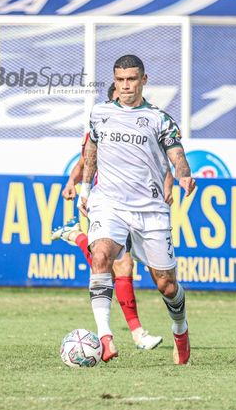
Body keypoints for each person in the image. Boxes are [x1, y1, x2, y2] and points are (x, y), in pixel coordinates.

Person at [78, 54, 196, 364]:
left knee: (166, 285)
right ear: (114, 82)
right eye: (120, 80)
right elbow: (91, 151)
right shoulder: (99, 113)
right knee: (101, 255)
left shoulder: (160, 119)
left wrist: (183, 174)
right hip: (109, 203)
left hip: (150, 209)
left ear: (144, 80)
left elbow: (177, 153)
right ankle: (105, 338)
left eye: (132, 79)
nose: (126, 85)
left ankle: (180, 331)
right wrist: (85, 189)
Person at [52, 83, 171, 352]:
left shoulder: (146, 123)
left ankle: (76, 236)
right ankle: (137, 334)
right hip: (108, 205)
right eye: (120, 94)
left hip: (139, 205)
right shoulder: (102, 122)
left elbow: (160, 159)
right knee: (121, 265)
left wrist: (168, 182)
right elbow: (85, 160)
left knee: (121, 266)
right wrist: (73, 182)